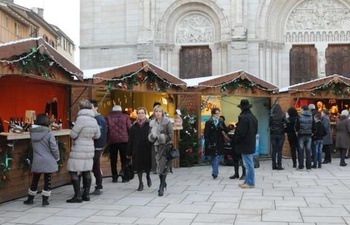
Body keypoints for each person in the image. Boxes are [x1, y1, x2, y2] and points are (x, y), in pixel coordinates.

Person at [66, 100, 101, 203]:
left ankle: (77, 196)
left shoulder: (80, 119)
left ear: (80, 108)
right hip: (90, 148)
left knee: (72, 170)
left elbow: (73, 134)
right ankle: (86, 194)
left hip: (79, 148)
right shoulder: (94, 120)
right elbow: (98, 135)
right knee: (86, 170)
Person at [23, 114, 60, 206]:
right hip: (48, 160)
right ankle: (45, 200)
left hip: (37, 159)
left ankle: (30, 199)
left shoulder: (32, 133)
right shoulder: (49, 134)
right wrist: (57, 157)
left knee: (35, 179)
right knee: (47, 180)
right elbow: (54, 148)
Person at [232, 99, 258, 189]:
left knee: (248, 164)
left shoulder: (243, 118)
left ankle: (250, 182)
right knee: (248, 163)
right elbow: (255, 131)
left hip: (244, 144)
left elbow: (241, 132)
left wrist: (236, 140)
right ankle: (247, 181)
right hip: (251, 142)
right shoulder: (253, 117)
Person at [148, 105, 173, 196]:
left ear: (162, 112)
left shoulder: (167, 122)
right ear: (154, 113)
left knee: (163, 165)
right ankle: (163, 182)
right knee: (158, 166)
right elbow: (149, 135)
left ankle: (161, 186)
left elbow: (171, 135)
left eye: (159, 111)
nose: (158, 113)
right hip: (156, 147)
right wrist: (152, 137)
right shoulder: (152, 123)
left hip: (165, 147)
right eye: (156, 111)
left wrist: (163, 137)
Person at [127, 107, 152, 191]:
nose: (141, 115)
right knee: (138, 167)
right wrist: (129, 152)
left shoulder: (150, 124)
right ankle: (140, 183)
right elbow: (130, 139)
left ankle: (148, 176)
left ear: (145, 114)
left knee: (147, 166)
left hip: (147, 148)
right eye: (139, 113)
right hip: (136, 149)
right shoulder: (134, 126)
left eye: (142, 113)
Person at [106, 105, 131, 183]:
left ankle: (114, 177)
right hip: (124, 140)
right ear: (120, 110)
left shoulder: (108, 117)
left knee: (113, 160)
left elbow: (106, 129)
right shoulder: (125, 116)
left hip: (112, 141)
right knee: (124, 159)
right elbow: (129, 127)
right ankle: (124, 176)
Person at [89, 100, 107, 195]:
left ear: (96, 107)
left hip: (96, 147)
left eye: (91, 107)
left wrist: (99, 146)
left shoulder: (99, 119)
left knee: (92, 166)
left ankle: (95, 186)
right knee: (95, 166)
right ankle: (98, 186)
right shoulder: (94, 118)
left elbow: (101, 134)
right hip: (94, 147)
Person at [204, 108, 227, 179]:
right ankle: (215, 172)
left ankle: (215, 171)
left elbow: (226, 130)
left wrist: (223, 127)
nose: (218, 115)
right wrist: (208, 143)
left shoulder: (221, 121)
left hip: (220, 142)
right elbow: (206, 134)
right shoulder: (209, 122)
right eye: (217, 113)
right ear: (213, 114)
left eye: (219, 113)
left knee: (219, 156)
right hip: (212, 142)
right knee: (214, 157)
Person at [269, 104, 289, 170]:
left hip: (273, 134)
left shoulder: (271, 116)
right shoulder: (282, 115)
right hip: (281, 134)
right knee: (280, 150)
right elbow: (287, 122)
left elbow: (269, 124)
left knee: (274, 150)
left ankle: (273, 165)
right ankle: (279, 165)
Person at [295, 105, 313, 170]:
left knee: (301, 151)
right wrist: (312, 132)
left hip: (301, 135)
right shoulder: (311, 116)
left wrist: (297, 131)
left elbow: (296, 126)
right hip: (309, 135)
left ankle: (301, 166)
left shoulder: (299, 116)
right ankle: (308, 166)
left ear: (302, 109)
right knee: (308, 151)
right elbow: (314, 126)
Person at [149, 102, 161, 174]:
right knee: (155, 154)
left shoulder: (151, 117)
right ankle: (155, 168)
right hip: (155, 138)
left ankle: (157, 168)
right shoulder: (151, 118)